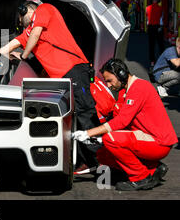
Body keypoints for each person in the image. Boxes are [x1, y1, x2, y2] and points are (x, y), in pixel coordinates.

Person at [0, 1, 100, 174]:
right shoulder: (27, 33)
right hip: (63, 77)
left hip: (73, 69)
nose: (21, 24)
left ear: (25, 10)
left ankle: (99, 159)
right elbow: (8, 47)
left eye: (21, 19)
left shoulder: (44, 9)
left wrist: (23, 55)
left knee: (85, 114)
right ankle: (87, 160)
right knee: (75, 118)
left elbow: (35, 35)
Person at [72, 58, 177, 191]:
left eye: (109, 80)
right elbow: (120, 123)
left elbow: (121, 121)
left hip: (159, 142)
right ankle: (153, 168)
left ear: (121, 74)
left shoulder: (139, 87)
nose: (109, 85)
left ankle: (140, 177)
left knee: (111, 140)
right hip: (146, 138)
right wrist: (97, 138)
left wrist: (88, 133)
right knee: (102, 155)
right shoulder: (124, 91)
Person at [146, 0, 164, 68]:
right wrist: (161, 27)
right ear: (158, 0)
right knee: (160, 44)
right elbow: (161, 19)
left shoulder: (147, 8)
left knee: (151, 44)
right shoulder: (160, 8)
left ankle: (152, 61)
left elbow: (147, 19)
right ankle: (162, 60)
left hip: (151, 27)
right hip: (158, 27)